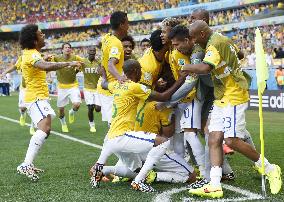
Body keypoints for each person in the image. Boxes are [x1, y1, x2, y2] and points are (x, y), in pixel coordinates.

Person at [182, 20, 281, 198]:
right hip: (223, 95)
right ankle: (214, 184)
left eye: (194, 37)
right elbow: (241, 53)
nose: (193, 41)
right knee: (213, 138)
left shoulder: (214, 44)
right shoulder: (222, 39)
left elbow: (205, 68)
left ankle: (270, 169)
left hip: (233, 94)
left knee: (231, 140)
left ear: (202, 35)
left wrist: (186, 67)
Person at [90, 59, 187, 192]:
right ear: (135, 71)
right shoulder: (135, 87)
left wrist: (103, 74)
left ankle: (98, 173)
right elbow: (164, 96)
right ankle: (138, 182)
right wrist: (181, 79)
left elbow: (105, 84)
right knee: (163, 142)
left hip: (111, 136)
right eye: (140, 70)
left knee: (136, 167)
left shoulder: (117, 84)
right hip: (122, 136)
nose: (142, 72)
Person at [16, 24, 83, 181]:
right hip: (36, 97)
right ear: (34, 39)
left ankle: (28, 164)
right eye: (40, 34)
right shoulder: (32, 54)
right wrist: (68, 63)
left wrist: (43, 60)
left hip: (37, 97)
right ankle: (26, 164)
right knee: (45, 127)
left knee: (45, 129)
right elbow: (45, 66)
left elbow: (41, 66)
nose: (44, 35)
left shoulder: (32, 53)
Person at [96, 11, 129, 125]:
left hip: (106, 86)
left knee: (114, 127)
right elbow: (110, 65)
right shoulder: (116, 43)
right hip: (111, 89)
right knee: (115, 127)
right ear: (121, 25)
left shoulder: (106, 37)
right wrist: (120, 78)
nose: (128, 26)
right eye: (127, 23)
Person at [53, 43, 84, 132]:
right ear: (62, 50)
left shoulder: (75, 57)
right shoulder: (57, 58)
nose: (67, 49)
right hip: (61, 87)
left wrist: (78, 68)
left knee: (77, 104)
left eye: (69, 47)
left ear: (71, 50)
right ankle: (63, 124)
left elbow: (83, 62)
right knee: (61, 110)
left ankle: (72, 112)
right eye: (66, 47)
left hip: (73, 85)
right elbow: (47, 61)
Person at [0, 57, 36, 135]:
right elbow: (15, 67)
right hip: (24, 88)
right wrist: (5, 72)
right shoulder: (22, 58)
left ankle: (32, 127)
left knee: (34, 109)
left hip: (35, 88)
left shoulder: (37, 56)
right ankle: (22, 115)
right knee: (23, 108)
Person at [82, 46, 101, 132]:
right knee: (90, 107)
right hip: (87, 88)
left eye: (94, 50)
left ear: (95, 52)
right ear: (88, 51)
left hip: (97, 88)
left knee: (98, 108)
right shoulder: (83, 62)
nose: (92, 52)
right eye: (91, 50)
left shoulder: (99, 62)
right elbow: (76, 70)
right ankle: (92, 125)